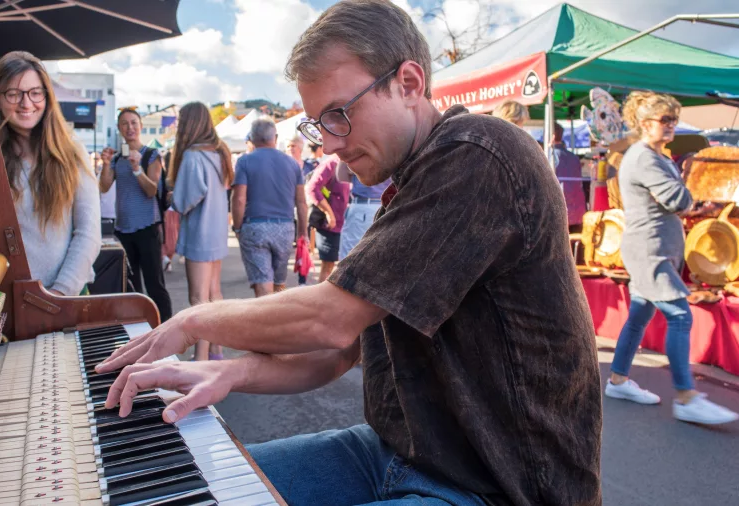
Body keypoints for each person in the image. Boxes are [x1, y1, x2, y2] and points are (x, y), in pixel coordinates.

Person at [95, 1, 602, 505]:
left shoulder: (480, 151)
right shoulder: (411, 183)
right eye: (319, 124)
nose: (331, 145)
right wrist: (233, 372)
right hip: (397, 454)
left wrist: (192, 321)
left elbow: (330, 320)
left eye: (339, 114)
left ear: (408, 83)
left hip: (502, 487)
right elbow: (342, 349)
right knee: (187, 494)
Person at [606, 91, 738, 425]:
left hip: (652, 249)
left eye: (673, 120)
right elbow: (677, 199)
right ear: (646, 123)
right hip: (650, 253)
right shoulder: (644, 157)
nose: (671, 126)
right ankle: (686, 397)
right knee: (680, 316)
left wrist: (692, 199)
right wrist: (692, 184)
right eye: (665, 120)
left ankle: (618, 380)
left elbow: (676, 200)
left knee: (638, 317)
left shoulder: (654, 156)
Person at [0, 51, 100, 296]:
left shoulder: (72, 152)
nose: (26, 104)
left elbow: (89, 233)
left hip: (66, 296)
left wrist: (59, 294)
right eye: (14, 94)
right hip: (0, 300)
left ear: (47, 97)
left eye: (35, 93)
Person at [168, 102, 233, 361]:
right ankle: (215, 351)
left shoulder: (193, 157)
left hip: (200, 234)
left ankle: (201, 358)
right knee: (214, 294)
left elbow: (184, 201)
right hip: (216, 231)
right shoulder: (220, 153)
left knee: (198, 298)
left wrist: (174, 198)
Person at [99, 108, 173, 321]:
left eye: (133, 123)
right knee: (131, 287)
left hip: (147, 228)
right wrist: (105, 165)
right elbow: (104, 187)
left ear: (140, 126)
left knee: (155, 285)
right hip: (123, 230)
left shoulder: (151, 155)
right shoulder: (115, 159)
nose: (129, 127)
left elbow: (152, 191)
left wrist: (137, 168)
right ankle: (139, 330)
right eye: (124, 124)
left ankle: (166, 328)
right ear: (119, 129)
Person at [230, 117, 307, 297]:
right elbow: (301, 202)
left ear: (252, 138)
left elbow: (239, 199)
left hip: (255, 226)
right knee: (279, 284)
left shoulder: (245, 161)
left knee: (263, 284)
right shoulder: (292, 164)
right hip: (285, 228)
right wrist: (302, 232)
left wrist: (237, 227)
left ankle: (265, 322)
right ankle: (278, 321)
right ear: (275, 137)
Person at [305, 155, 349, 282]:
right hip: (331, 224)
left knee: (342, 267)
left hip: (348, 223)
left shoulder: (350, 161)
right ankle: (322, 300)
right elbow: (312, 188)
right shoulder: (332, 163)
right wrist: (329, 214)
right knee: (328, 266)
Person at [336, 160, 391, 260]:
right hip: (384, 206)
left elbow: (341, 176)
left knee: (351, 256)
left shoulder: (361, 148)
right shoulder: (393, 150)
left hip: (364, 207)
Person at [552, 123, 587, 233]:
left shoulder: (550, 157)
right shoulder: (574, 157)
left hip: (560, 211)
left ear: (551, 136)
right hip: (578, 211)